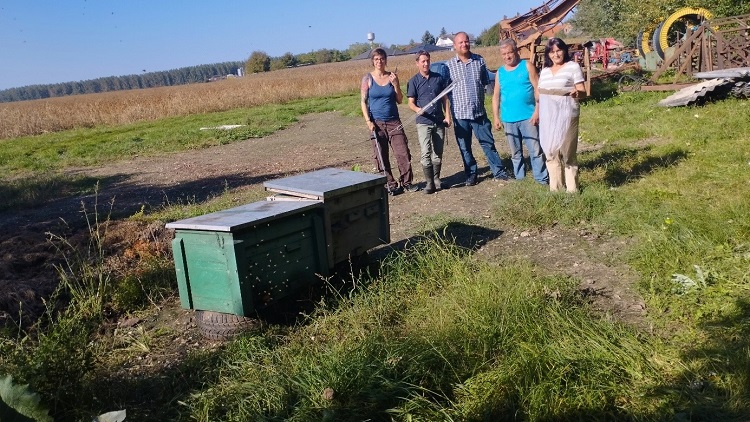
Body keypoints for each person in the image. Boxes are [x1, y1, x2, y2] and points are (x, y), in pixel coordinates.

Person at [445, 32, 510, 186]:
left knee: (488, 143)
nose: (464, 45)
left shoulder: (479, 61)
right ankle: (471, 174)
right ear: (455, 46)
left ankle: (499, 172)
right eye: (460, 43)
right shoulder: (449, 66)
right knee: (465, 148)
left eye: (466, 41)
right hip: (460, 114)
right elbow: (446, 93)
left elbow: (484, 82)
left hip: (478, 112)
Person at [360, 48, 419, 195]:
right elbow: (363, 102)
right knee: (381, 155)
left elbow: (399, 100)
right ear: (373, 61)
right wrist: (368, 121)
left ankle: (406, 183)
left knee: (403, 153)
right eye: (376, 59)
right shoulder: (367, 79)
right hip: (377, 123)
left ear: (386, 60)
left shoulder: (392, 76)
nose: (379, 62)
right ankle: (390, 184)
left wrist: (396, 84)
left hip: (394, 121)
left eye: (381, 59)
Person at [491, 39, 549, 185]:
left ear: (516, 51)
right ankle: (520, 181)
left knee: (535, 151)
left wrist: (537, 111)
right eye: (504, 54)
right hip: (509, 119)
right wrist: (496, 117)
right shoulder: (500, 72)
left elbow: (538, 89)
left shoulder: (527, 66)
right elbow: (496, 96)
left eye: (510, 52)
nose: (507, 56)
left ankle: (541, 180)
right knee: (516, 154)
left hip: (528, 117)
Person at [537, 37, 586, 193]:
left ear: (564, 50)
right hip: (549, 117)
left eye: (559, 50)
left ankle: (572, 191)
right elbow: (539, 95)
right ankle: (556, 189)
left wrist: (577, 92)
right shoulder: (544, 71)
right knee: (551, 152)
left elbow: (583, 91)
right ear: (548, 54)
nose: (556, 54)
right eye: (552, 52)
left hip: (568, 114)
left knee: (568, 153)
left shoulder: (572, 67)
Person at [407, 50, 452, 194]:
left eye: (427, 60)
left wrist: (448, 116)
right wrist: (417, 109)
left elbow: (445, 99)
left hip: (439, 120)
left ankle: (437, 178)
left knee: (438, 152)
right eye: (423, 61)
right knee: (426, 152)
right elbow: (410, 103)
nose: (426, 63)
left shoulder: (438, 78)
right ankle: (429, 182)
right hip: (423, 122)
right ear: (417, 63)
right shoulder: (413, 81)